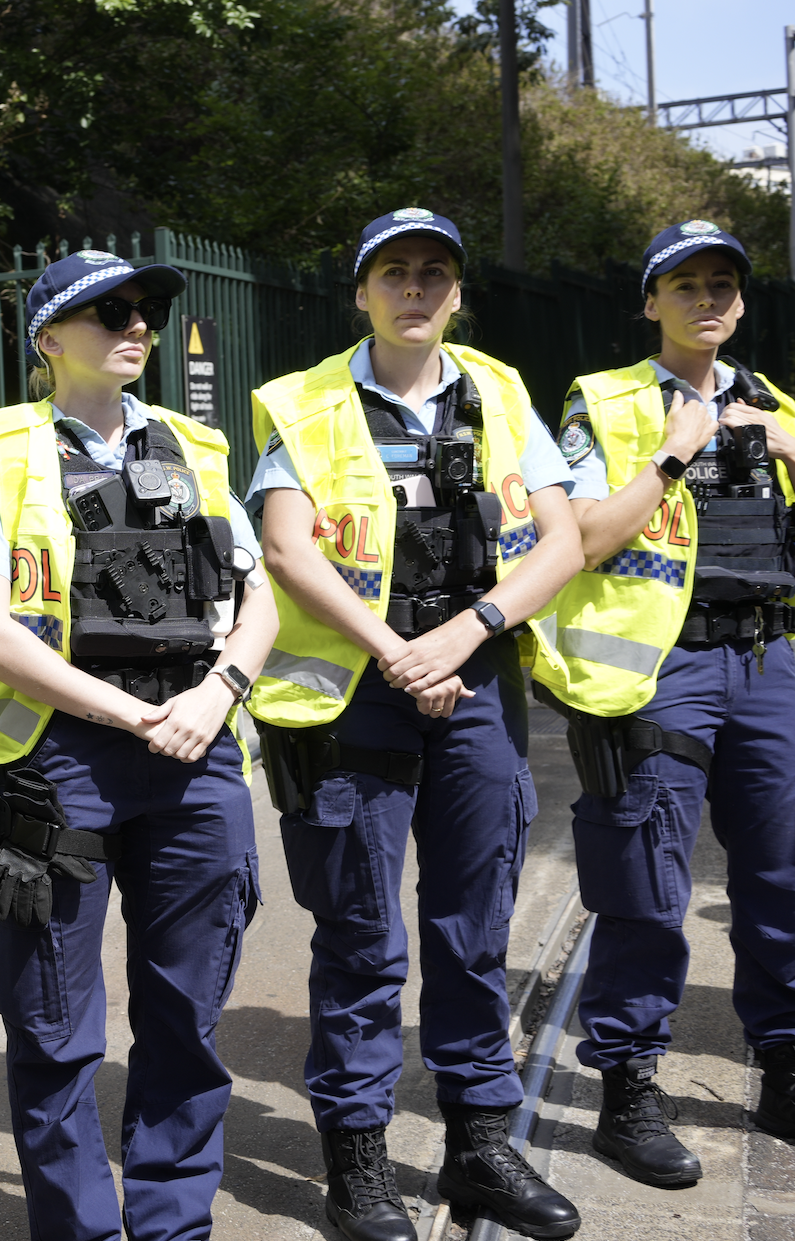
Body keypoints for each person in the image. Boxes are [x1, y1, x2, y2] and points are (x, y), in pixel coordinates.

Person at [247, 210, 586, 1241]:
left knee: (473, 931)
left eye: (432, 274)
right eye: (391, 273)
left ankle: (478, 1148)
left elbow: (562, 539)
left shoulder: (498, 390)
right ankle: (356, 1166)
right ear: (360, 292)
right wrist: (397, 650)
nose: (412, 290)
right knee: (360, 941)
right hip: (357, 698)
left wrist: (470, 629)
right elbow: (286, 546)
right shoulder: (303, 400)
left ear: (454, 293)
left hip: (473, 691)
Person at [0, 249, 276, 1240]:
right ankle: (78, 1227)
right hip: (62, 763)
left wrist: (218, 693)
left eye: (145, 312)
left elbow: (257, 599)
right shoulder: (1, 453)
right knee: (51, 1023)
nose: (136, 325)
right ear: (48, 339)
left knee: (185, 1013)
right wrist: (133, 717)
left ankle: (173, 1225)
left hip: (197, 749)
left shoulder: (196, 448)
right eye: (108, 312)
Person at [533, 220, 795, 1187]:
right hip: (662, 671)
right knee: (645, 883)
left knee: (783, 876)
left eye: (723, 284)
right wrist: (677, 453)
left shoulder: (778, 408)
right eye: (684, 286)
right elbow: (584, 539)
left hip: (771, 663)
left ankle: (786, 1062)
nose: (708, 300)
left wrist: (784, 446)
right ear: (651, 304)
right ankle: (628, 1085)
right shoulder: (601, 403)